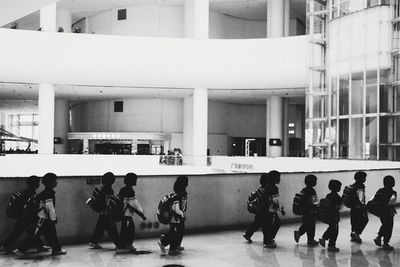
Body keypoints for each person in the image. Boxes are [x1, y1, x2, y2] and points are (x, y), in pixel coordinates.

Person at [15, 173, 66, 256]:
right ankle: (21, 250)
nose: (56, 182)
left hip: (41, 217)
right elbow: (49, 207)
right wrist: (54, 218)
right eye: (55, 181)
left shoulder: (44, 193)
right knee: (42, 234)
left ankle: (56, 249)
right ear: (51, 182)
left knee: (42, 234)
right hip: (44, 218)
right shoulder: (49, 193)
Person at [1, 176, 48, 254]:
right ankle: (37, 246)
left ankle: (6, 246)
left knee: (20, 229)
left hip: (21, 217)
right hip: (26, 217)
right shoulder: (33, 195)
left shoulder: (23, 194)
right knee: (33, 230)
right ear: (37, 185)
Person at [88, 172, 122, 252]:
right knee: (112, 229)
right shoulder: (109, 190)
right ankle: (119, 244)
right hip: (107, 213)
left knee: (100, 228)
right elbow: (108, 202)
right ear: (112, 181)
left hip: (101, 212)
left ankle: (93, 241)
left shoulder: (101, 188)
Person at [158, 176, 188, 255]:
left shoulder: (181, 193)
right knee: (174, 232)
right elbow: (176, 209)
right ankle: (165, 243)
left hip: (177, 217)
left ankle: (176, 245)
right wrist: (181, 215)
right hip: (175, 218)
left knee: (180, 230)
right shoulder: (177, 196)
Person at [118, 173, 146, 252]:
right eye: (135, 180)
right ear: (131, 181)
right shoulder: (130, 191)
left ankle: (127, 245)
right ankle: (122, 247)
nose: (136, 181)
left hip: (124, 214)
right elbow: (133, 205)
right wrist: (141, 214)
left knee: (128, 229)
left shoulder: (123, 189)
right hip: (127, 215)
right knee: (126, 230)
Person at [373, 175, 397, 251]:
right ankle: (385, 243)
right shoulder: (392, 192)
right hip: (388, 212)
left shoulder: (380, 190)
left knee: (384, 225)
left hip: (381, 212)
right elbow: (391, 202)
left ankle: (378, 237)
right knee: (389, 227)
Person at [242, 172, 268, 242]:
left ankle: (247, 234)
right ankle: (268, 239)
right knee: (265, 225)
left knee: (257, 223)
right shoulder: (265, 191)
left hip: (259, 211)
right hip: (263, 211)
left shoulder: (260, 190)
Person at [294, 174, 319, 246]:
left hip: (305, 211)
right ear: (312, 182)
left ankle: (307, 238)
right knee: (310, 225)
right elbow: (314, 201)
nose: (316, 182)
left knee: (306, 224)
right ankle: (309, 239)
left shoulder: (304, 190)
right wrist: (316, 209)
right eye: (315, 181)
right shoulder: (312, 191)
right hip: (310, 211)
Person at [319, 179, 343, 252]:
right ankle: (331, 245)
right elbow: (339, 207)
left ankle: (323, 238)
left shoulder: (328, 195)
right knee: (335, 231)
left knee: (331, 228)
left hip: (328, 215)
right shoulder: (337, 197)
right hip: (334, 216)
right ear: (337, 188)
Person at [263, 170, 282, 248]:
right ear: (274, 178)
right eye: (278, 178)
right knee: (273, 224)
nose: (279, 179)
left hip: (266, 209)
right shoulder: (273, 188)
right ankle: (268, 241)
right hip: (270, 210)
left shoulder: (268, 186)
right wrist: (280, 209)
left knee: (268, 225)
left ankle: (269, 239)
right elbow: (275, 200)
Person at [349, 171, 368, 243]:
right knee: (364, 219)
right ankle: (356, 233)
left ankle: (353, 235)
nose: (365, 179)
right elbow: (361, 197)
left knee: (354, 222)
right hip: (359, 207)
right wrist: (363, 206)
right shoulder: (360, 186)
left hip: (353, 207)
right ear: (361, 178)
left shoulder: (353, 185)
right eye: (364, 178)